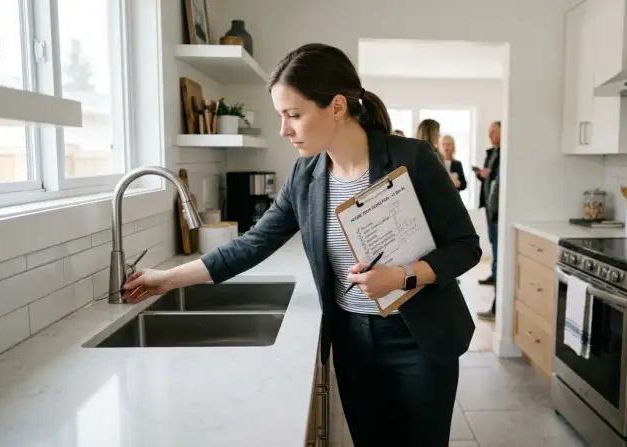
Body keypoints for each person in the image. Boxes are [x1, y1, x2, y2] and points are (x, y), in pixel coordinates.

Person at [121, 43, 480, 447]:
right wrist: (167, 279)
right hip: (353, 341)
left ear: (338, 107)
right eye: (281, 116)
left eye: (294, 115)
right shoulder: (306, 176)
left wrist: (402, 276)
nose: (284, 129)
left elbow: (465, 247)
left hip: (419, 339)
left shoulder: (410, 159)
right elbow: (252, 244)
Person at [474, 121, 500, 319]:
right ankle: (494, 274)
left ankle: (497, 304)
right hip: (491, 208)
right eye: (489, 132)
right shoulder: (491, 153)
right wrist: (483, 175)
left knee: (499, 250)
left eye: (493, 131)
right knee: (493, 244)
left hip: (499, 211)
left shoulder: (505, 154)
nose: (490, 135)